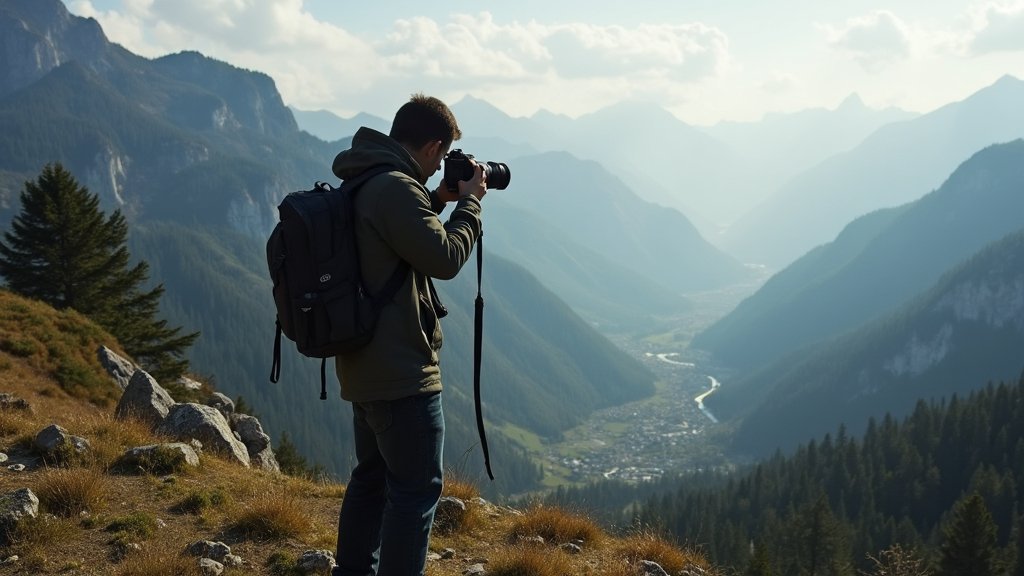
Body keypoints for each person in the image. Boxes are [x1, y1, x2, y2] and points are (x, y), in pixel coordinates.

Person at [330, 94, 486, 576]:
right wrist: (472, 205)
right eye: (441, 157)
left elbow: (397, 239)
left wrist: (439, 199)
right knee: (415, 494)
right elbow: (443, 259)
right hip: (402, 374)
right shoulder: (395, 188)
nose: (442, 166)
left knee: (371, 482)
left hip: (363, 366)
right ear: (432, 145)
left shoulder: (366, 177)